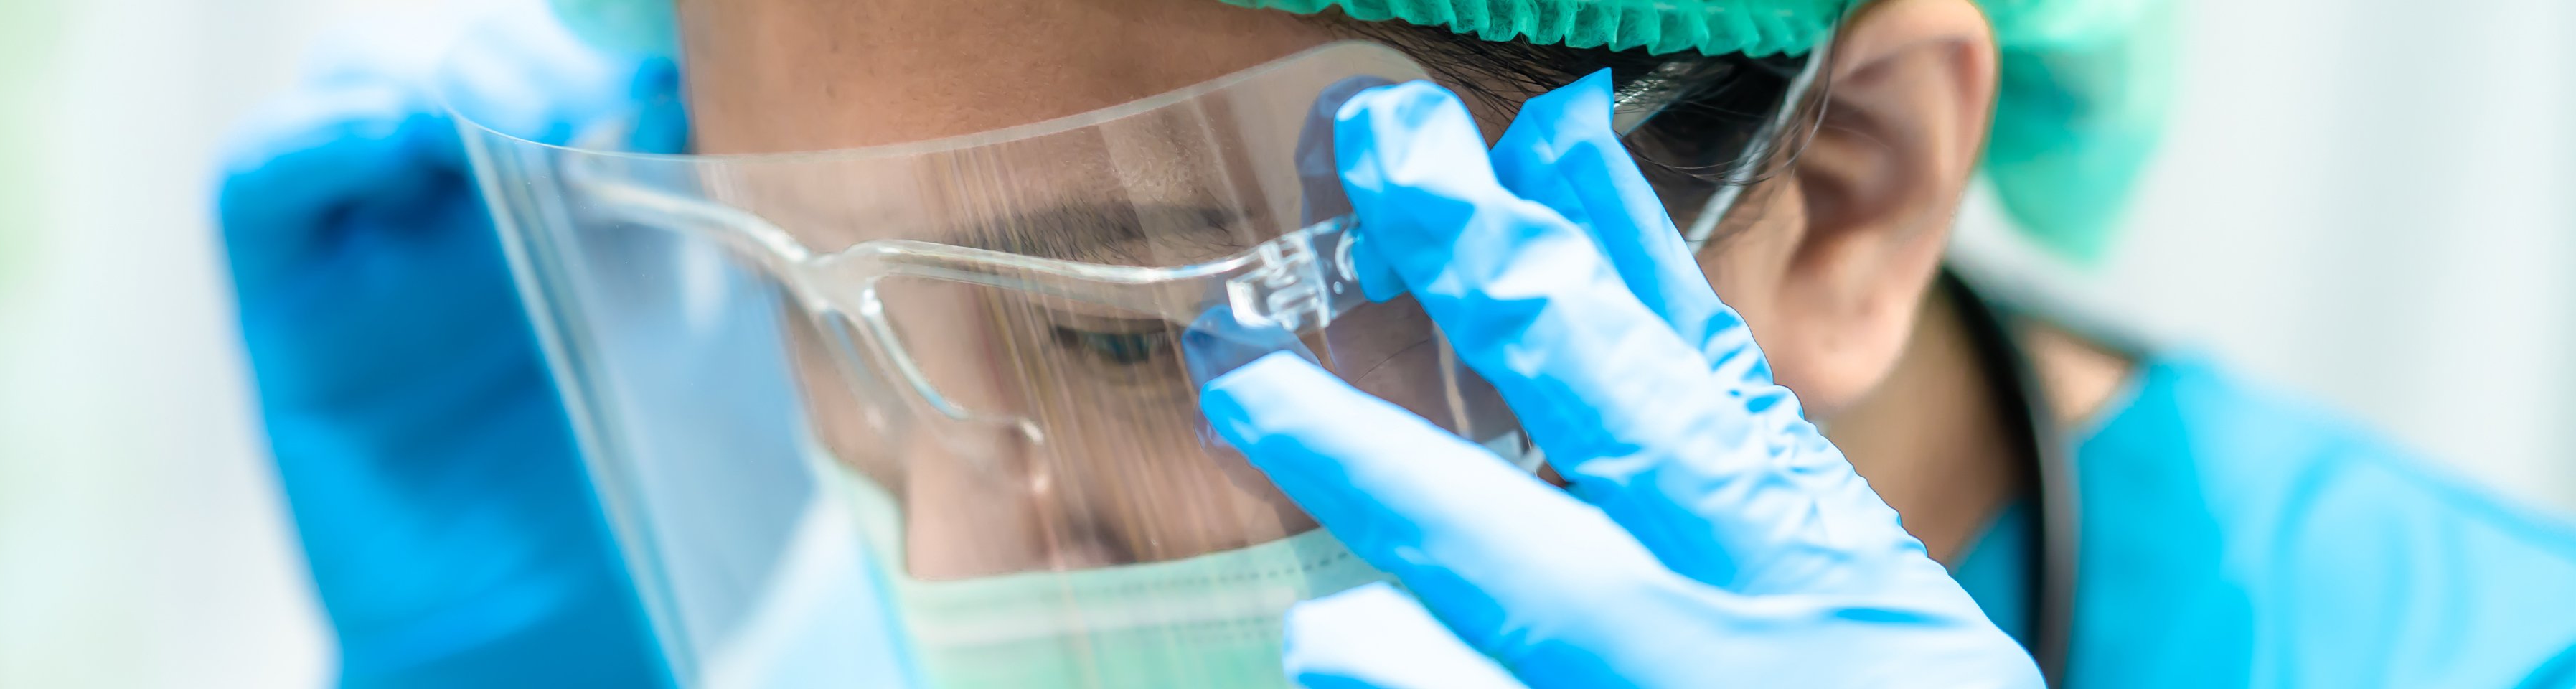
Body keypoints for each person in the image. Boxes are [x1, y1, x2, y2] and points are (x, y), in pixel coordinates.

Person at [215, 0, 2576, 686]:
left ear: (1837, 184)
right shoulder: (871, 597)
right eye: (809, 309)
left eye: (1134, 341)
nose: (955, 556)